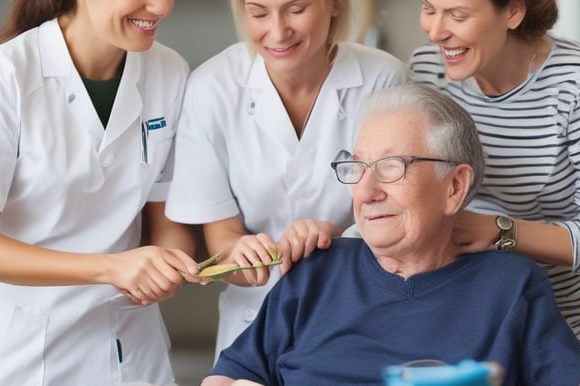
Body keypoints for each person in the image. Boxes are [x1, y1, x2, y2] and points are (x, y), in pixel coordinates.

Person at [201, 83, 580, 386]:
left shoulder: (510, 287)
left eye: (391, 167)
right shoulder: (315, 272)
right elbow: (228, 376)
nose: (366, 191)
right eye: (358, 168)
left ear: (454, 187)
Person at [0, 0, 200, 384]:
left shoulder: (170, 71)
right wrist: (112, 268)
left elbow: (167, 216)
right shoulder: (2, 73)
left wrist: (169, 267)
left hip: (124, 344)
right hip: (9, 352)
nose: (161, 7)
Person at [408, 0, 580, 384]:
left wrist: (496, 230)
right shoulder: (426, 69)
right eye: (428, 7)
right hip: (482, 317)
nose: (435, 31)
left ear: (513, 12)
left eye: (457, 14)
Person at [165, 0, 408, 360]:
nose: (277, 32)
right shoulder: (211, 88)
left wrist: (337, 238)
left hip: (360, 315)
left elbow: (404, 219)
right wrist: (241, 253)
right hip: (252, 325)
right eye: (259, 13)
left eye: (296, 9)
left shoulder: (385, 79)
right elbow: (223, 239)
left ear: (334, 5)